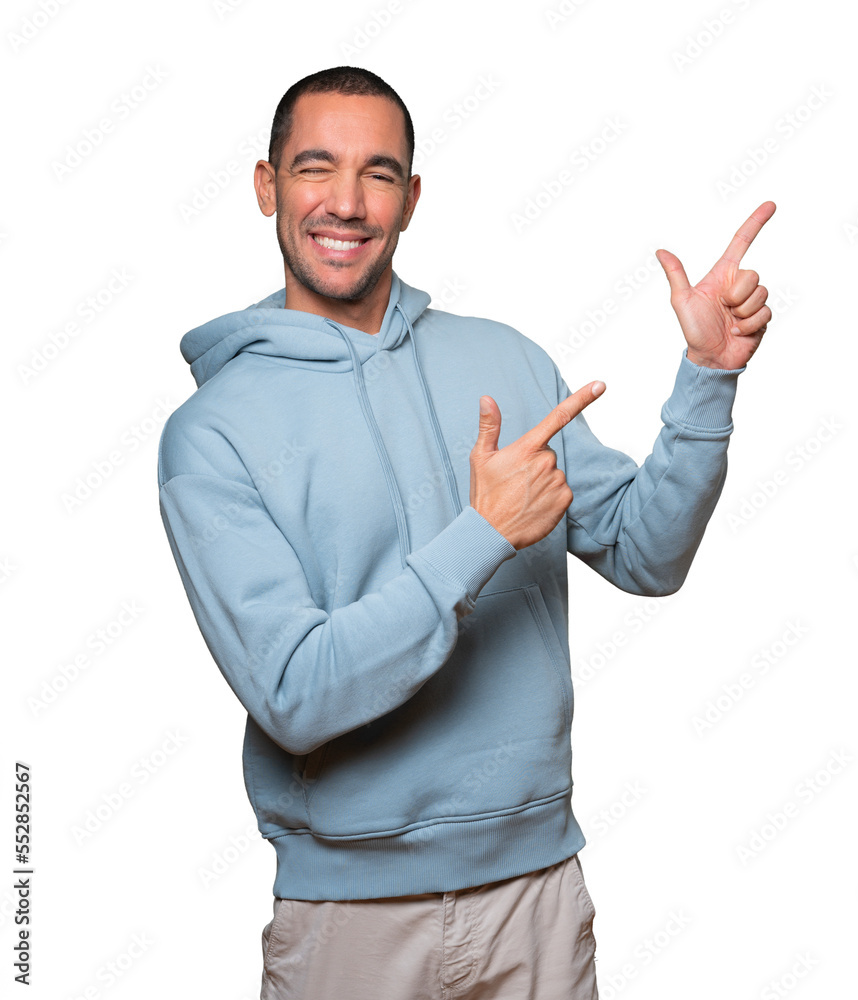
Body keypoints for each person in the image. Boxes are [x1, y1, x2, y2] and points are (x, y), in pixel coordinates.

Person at [156, 65, 775, 1000]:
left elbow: (645, 555)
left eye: (378, 174)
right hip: (348, 921)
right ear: (266, 185)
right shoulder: (213, 433)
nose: (346, 202)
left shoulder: (504, 358)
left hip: (536, 892)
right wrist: (481, 534)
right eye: (315, 167)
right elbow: (295, 693)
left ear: (410, 199)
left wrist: (706, 377)